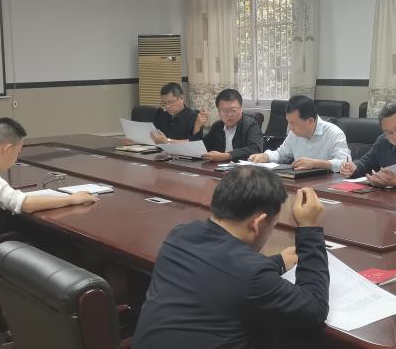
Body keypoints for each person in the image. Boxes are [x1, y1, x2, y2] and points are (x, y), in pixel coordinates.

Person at [133, 166, 329, 348]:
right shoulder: (252, 276)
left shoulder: (180, 234)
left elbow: (222, 273)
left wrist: (278, 262)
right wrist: (309, 227)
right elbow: (315, 310)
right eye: (273, 225)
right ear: (258, 224)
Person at [248, 95, 351, 172]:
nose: (290, 127)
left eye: (294, 123)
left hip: (327, 184)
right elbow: (281, 154)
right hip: (301, 182)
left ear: (310, 120)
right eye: (288, 122)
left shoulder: (334, 133)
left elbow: (344, 164)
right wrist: (265, 156)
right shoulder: (294, 133)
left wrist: (315, 163)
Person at [201, 88, 264, 162]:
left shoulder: (251, 125)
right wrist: (198, 127)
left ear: (241, 109)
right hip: (218, 167)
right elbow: (203, 148)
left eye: (233, 110)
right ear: (219, 112)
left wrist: (225, 156)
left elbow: (255, 149)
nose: (229, 114)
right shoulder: (217, 126)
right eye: (224, 111)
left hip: (242, 168)